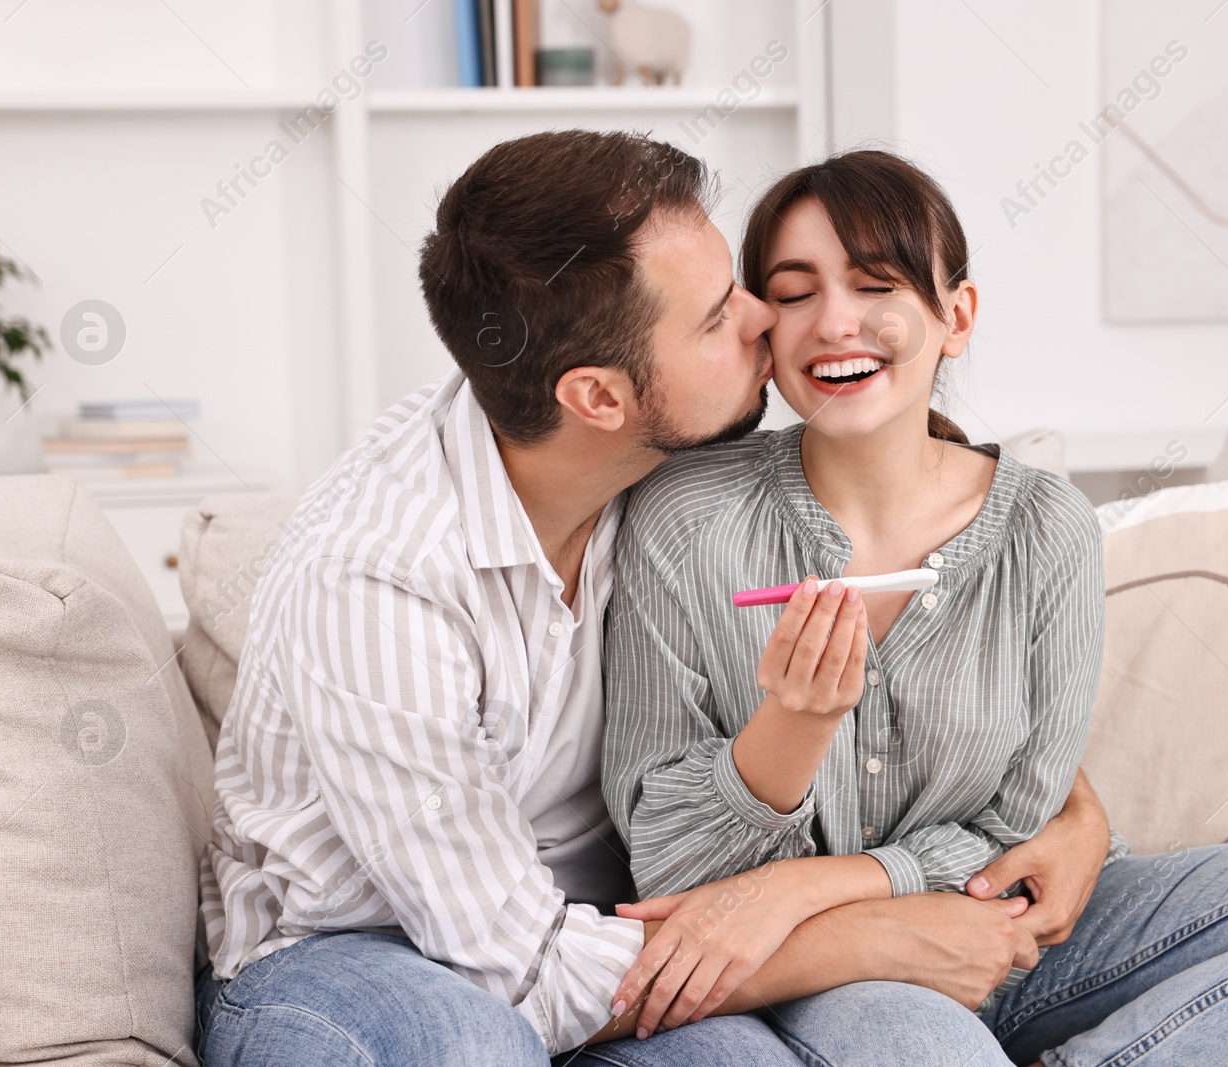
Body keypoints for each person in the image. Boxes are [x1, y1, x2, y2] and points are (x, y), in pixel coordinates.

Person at [190, 131, 1115, 1067]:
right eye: (719, 317)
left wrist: (1078, 817)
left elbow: (962, 693)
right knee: (464, 1046)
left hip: (606, 926)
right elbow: (521, 975)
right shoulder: (377, 580)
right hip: (349, 954)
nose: (770, 318)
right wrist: (861, 937)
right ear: (598, 397)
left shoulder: (648, 463)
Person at [602, 149, 1228, 1067]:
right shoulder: (685, 519)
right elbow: (672, 865)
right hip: (836, 972)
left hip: (1031, 930)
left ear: (956, 317)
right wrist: (791, 728)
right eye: (794, 292)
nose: (835, 322)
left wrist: (812, 884)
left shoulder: (1045, 528)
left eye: (877, 283)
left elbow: (1023, 821)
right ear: (761, 326)